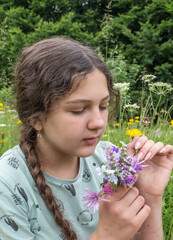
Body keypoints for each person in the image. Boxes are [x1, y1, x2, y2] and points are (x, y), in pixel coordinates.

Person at [0, 37, 172, 240]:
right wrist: (105, 236)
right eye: (79, 110)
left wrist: (149, 197)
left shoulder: (110, 161)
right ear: (37, 119)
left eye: (103, 106)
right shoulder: (8, 185)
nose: (98, 122)